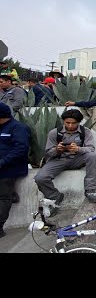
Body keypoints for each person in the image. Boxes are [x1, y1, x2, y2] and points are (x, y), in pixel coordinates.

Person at [33, 109, 96, 216]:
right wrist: (57, 149)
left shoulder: (85, 131)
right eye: (67, 123)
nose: (70, 125)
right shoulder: (54, 132)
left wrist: (78, 149)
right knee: (40, 178)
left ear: (78, 122)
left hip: (77, 159)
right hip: (58, 160)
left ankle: (90, 189)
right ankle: (54, 196)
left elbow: (90, 148)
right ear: (63, 121)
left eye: (73, 123)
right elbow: (48, 152)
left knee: (92, 156)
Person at [0, 102, 30, 238]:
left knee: (3, 197)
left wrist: (3, 162)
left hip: (9, 168)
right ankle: (12, 194)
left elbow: (20, 149)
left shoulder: (18, 128)